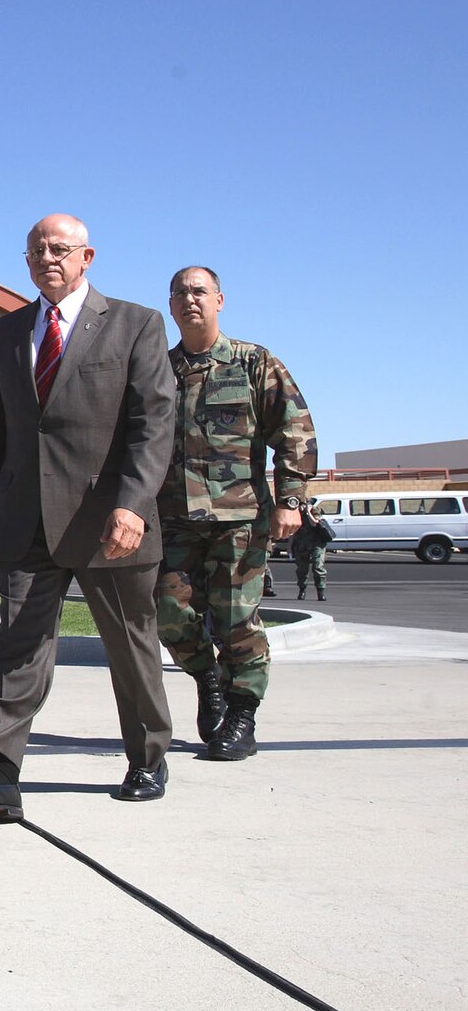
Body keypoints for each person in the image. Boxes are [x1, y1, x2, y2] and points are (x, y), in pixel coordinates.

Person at [0, 214, 176, 821]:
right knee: (19, 645)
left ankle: (148, 756)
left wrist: (132, 504)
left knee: (129, 644)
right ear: (26, 261)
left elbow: (153, 427)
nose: (48, 257)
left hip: (109, 522)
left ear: (87, 256)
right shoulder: (8, 333)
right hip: (25, 519)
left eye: (60, 248)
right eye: (37, 250)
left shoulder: (136, 324)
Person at [155, 266, 318, 761]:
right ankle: (208, 680)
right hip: (174, 519)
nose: (190, 300)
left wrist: (291, 500)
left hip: (240, 520)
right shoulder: (159, 370)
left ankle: (242, 716)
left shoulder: (252, 363)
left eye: (199, 291)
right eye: (180, 292)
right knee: (169, 615)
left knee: (237, 621)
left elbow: (294, 432)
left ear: (219, 300)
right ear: (170, 304)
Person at [292, 500, 332, 600]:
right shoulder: (294, 513)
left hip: (317, 544)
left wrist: (307, 512)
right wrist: (290, 546)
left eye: (301, 505)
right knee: (302, 569)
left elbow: (314, 523)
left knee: (318, 567)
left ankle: (320, 591)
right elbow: (292, 531)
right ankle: (302, 590)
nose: (300, 507)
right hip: (301, 544)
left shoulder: (314, 510)